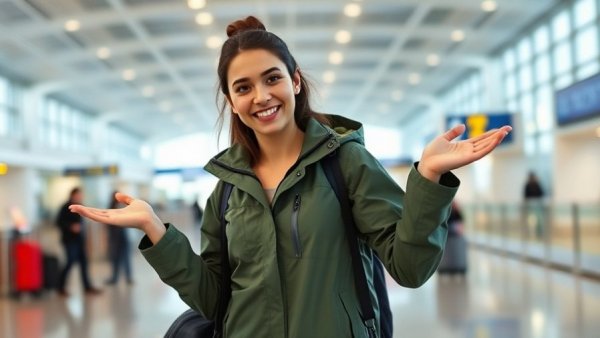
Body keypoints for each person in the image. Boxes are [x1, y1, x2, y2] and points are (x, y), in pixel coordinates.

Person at [68, 16, 511, 337]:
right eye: (243, 87)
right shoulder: (227, 190)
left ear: (295, 81)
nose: (261, 96)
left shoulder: (346, 164)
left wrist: (428, 177)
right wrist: (155, 230)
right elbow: (213, 299)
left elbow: (410, 268)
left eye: (272, 78)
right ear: (231, 99)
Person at [55, 187, 102, 296]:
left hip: (79, 240)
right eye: (78, 195)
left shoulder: (81, 206)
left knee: (84, 263)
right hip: (69, 240)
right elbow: (58, 222)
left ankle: (87, 287)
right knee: (70, 262)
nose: (80, 197)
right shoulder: (65, 207)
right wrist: (71, 227)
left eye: (81, 195)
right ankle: (60, 287)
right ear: (72, 195)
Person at [105, 192, 133, 285]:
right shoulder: (111, 207)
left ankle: (128, 277)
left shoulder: (123, 206)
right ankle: (115, 278)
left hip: (122, 236)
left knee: (125, 257)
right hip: (115, 236)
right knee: (116, 258)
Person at [523, 171, 545, 239]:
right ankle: (531, 233)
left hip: (537, 206)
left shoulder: (537, 184)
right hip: (530, 206)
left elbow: (541, 194)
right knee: (531, 221)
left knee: (539, 220)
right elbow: (525, 196)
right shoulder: (527, 185)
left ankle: (539, 233)